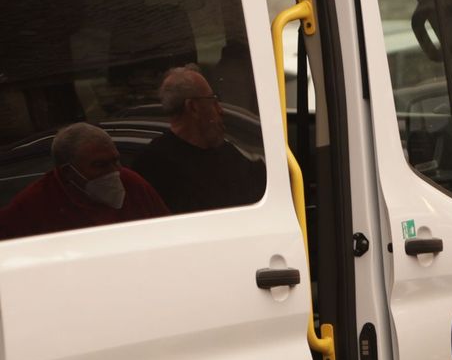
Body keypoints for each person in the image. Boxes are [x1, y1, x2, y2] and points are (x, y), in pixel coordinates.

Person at [129, 67, 265, 213]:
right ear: (193, 107)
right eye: (213, 101)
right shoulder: (154, 165)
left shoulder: (226, 152)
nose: (221, 110)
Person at [0, 122, 168, 239]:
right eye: (100, 165)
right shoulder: (32, 207)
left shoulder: (132, 183)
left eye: (116, 161)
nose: (114, 172)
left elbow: (169, 231)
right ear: (68, 172)